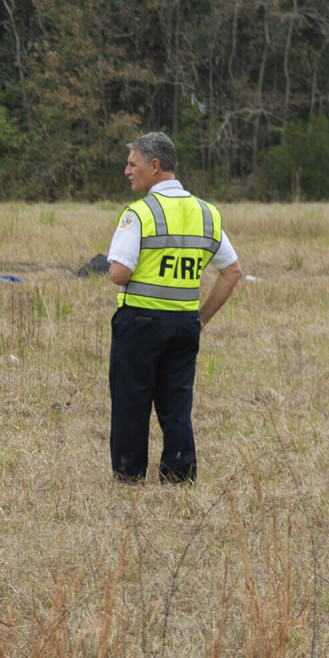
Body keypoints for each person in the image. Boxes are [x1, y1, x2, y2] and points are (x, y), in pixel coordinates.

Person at [105, 132, 243, 482]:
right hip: (184, 325)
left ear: (155, 166)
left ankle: (129, 473)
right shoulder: (207, 213)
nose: (127, 171)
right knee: (176, 405)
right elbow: (232, 271)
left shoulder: (139, 213)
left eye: (132, 164)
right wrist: (202, 318)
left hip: (139, 323)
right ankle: (179, 474)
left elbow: (119, 273)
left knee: (131, 401)